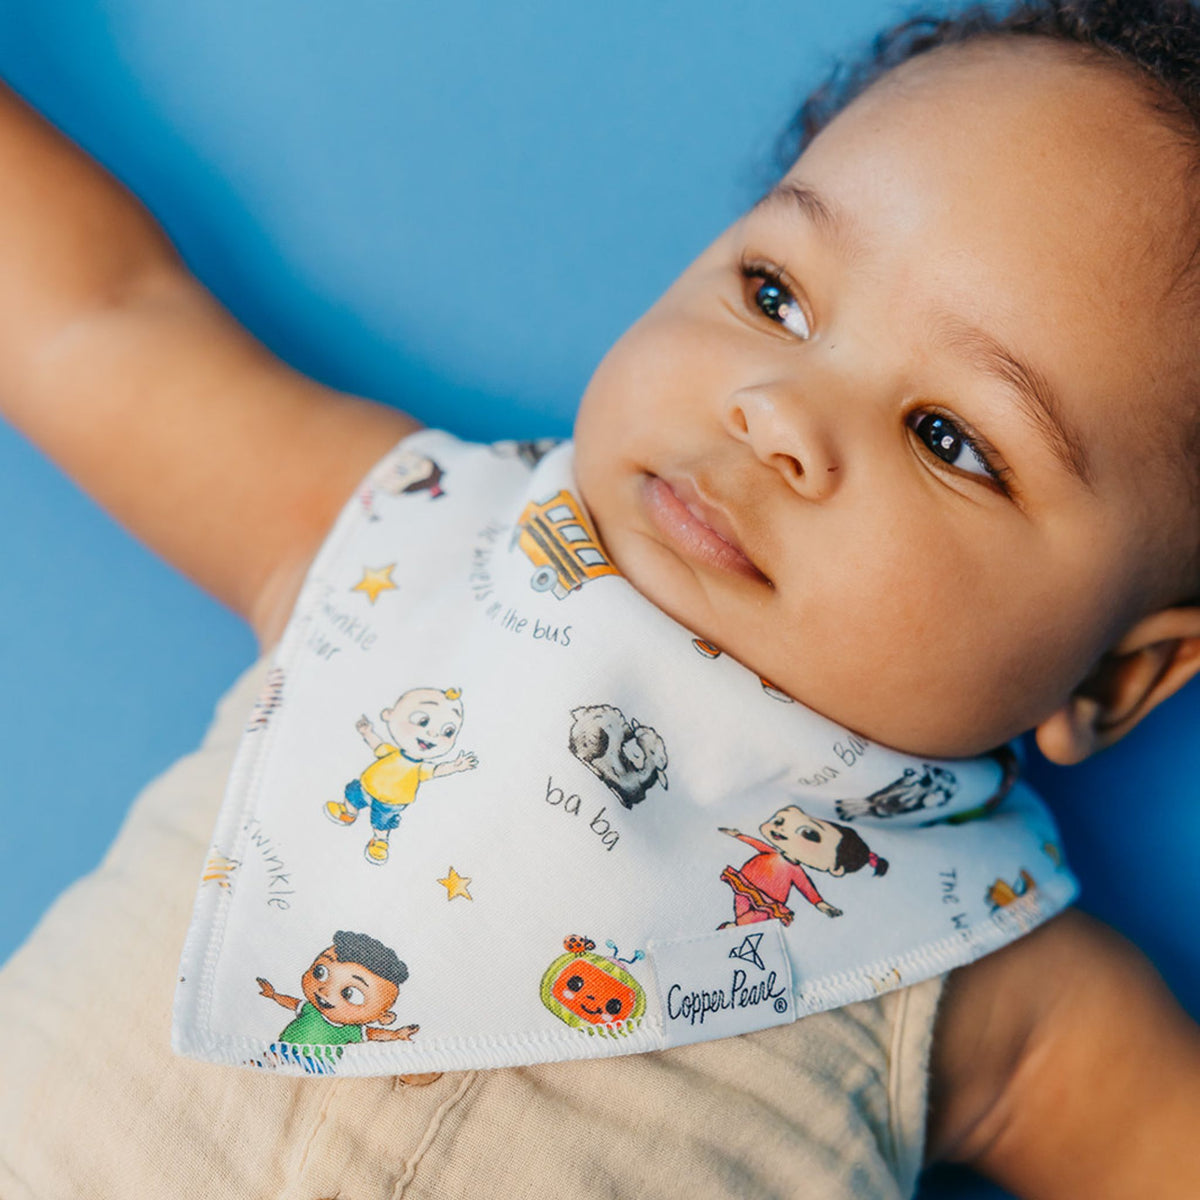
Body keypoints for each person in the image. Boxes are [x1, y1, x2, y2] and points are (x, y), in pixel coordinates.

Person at [1, 2, 1199, 1197]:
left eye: (948, 437)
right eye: (775, 293)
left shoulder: (994, 970)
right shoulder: (401, 542)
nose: (776, 408)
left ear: (1114, 678)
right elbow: (101, 318)